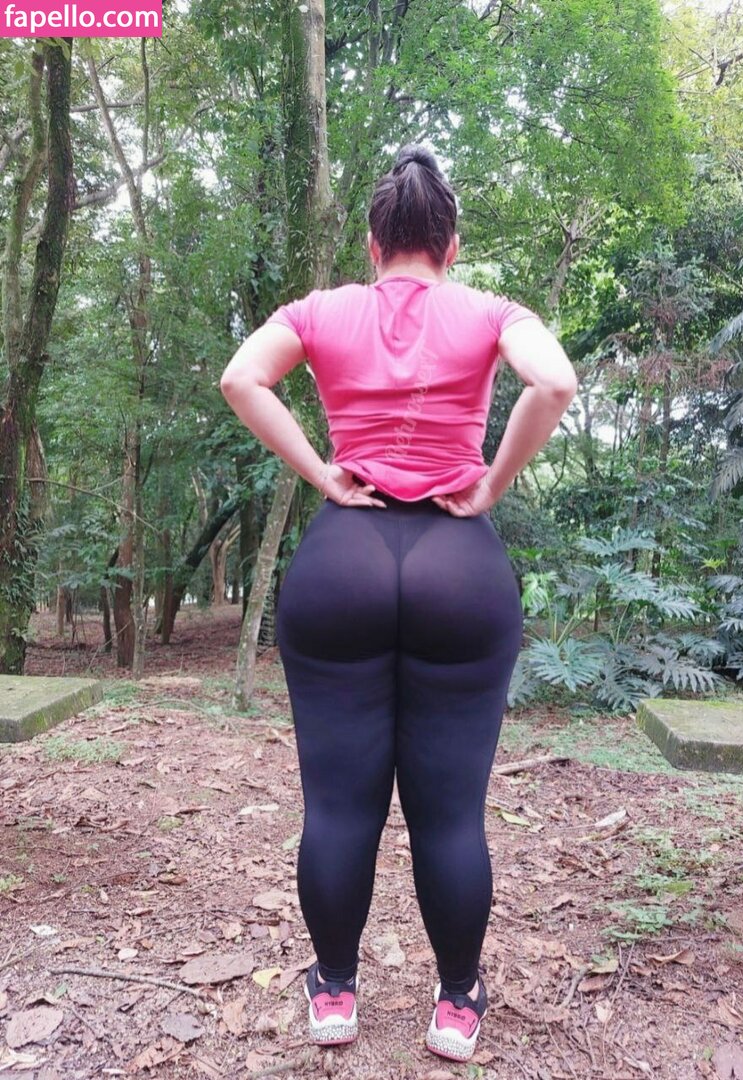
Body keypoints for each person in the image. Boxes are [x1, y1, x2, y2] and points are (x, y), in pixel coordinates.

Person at [219, 145, 578, 1063]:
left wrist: (322, 474)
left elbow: (240, 378)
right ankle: (455, 1005)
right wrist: (491, 482)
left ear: (374, 246)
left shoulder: (320, 311)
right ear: (449, 247)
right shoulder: (492, 312)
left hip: (344, 556)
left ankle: (335, 992)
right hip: (459, 564)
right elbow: (553, 381)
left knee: (339, 808)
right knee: (449, 814)